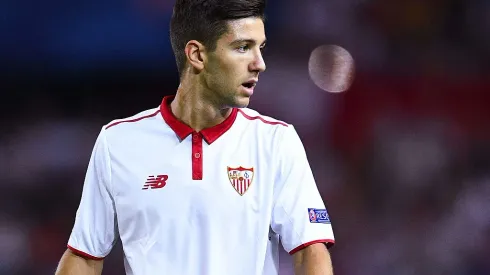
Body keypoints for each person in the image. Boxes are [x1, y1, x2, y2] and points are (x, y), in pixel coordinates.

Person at [55, 0, 335, 274]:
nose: (259, 64)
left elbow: (310, 252)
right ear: (197, 55)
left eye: (260, 48)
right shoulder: (117, 142)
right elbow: (84, 256)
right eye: (242, 48)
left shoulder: (276, 142)